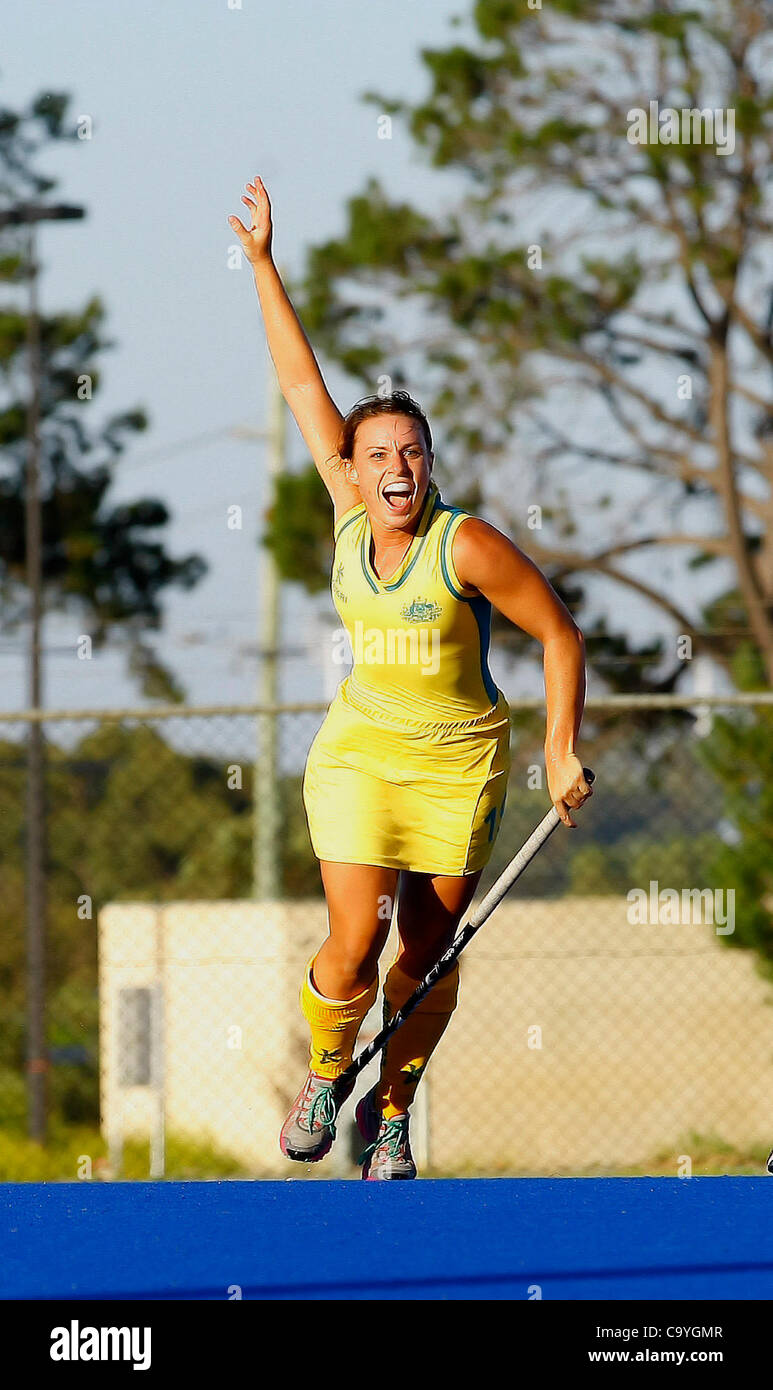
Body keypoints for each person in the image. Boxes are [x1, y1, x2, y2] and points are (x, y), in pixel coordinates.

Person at [229, 177, 592, 1180]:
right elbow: (304, 387)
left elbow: (558, 636)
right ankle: (325, 1071)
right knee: (354, 936)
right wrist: (263, 264)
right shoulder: (348, 513)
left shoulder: (464, 544)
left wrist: (559, 750)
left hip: (458, 764)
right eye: (377, 450)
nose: (396, 464)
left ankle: (390, 1115)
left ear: (429, 465)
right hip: (359, 754)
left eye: (412, 450)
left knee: (425, 952)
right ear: (350, 466)